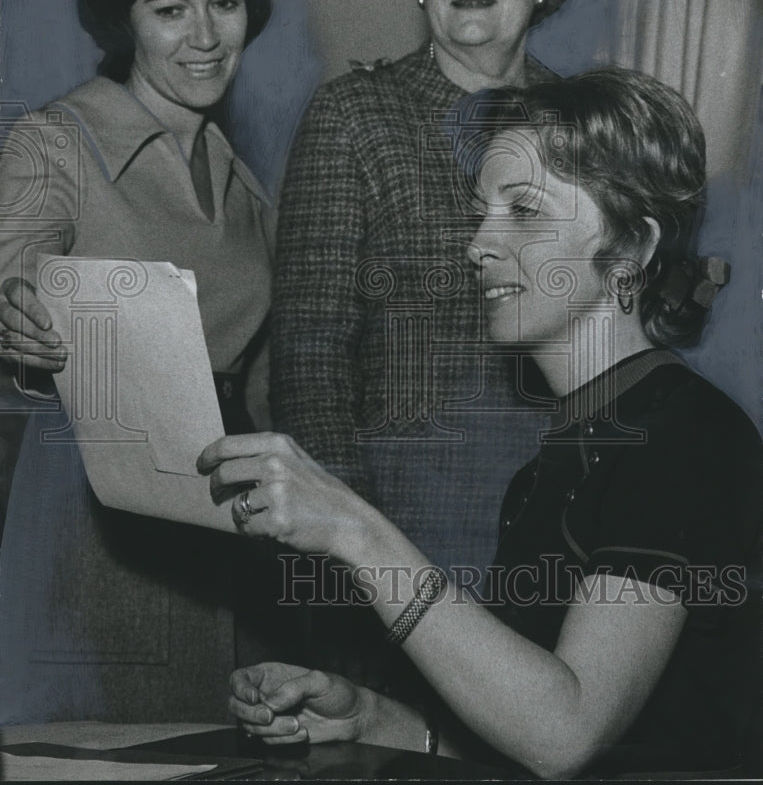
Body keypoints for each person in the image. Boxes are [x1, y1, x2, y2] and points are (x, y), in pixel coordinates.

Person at [200, 69, 763, 777]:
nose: (477, 245)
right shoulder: (553, 461)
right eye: (482, 212)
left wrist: (355, 531)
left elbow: (565, 733)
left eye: (524, 211)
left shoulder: (689, 438)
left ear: (631, 249)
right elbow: (524, 725)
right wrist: (369, 716)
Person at [271, 0, 585, 592]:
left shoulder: (584, 124)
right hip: (400, 539)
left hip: (560, 534)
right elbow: (309, 365)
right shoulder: (353, 116)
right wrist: (350, 559)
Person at [0, 0, 278, 722]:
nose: (203, 36)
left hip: (226, 547)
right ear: (122, 15)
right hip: (95, 541)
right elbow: (16, 267)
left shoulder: (245, 184)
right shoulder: (52, 145)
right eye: (170, 8)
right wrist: (16, 317)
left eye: (225, 3)